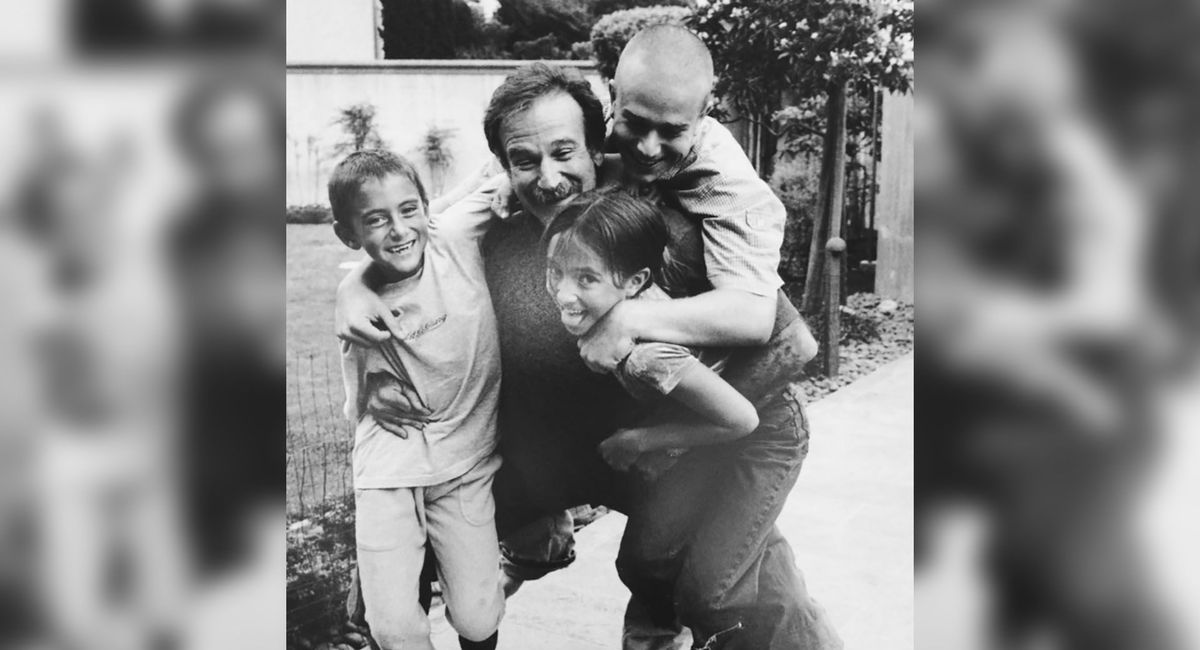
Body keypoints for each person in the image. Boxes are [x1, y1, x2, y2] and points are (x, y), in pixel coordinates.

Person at [336, 58, 835, 649]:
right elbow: (402, 250)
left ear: (598, 149)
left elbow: (789, 342)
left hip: (653, 448)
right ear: (503, 166)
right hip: (545, 452)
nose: (548, 179)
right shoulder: (490, 234)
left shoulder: (655, 232)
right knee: (383, 580)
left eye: (565, 152)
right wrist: (362, 314)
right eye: (525, 160)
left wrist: (669, 437)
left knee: (730, 587)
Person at [329, 150, 504, 650]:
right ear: (348, 235)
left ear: (427, 207)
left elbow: (508, 174)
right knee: (393, 629)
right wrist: (353, 286)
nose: (400, 229)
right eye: (376, 219)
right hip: (390, 466)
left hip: (465, 461)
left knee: (477, 618)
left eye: (409, 210)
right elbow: (360, 403)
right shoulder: (359, 315)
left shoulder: (454, 240)